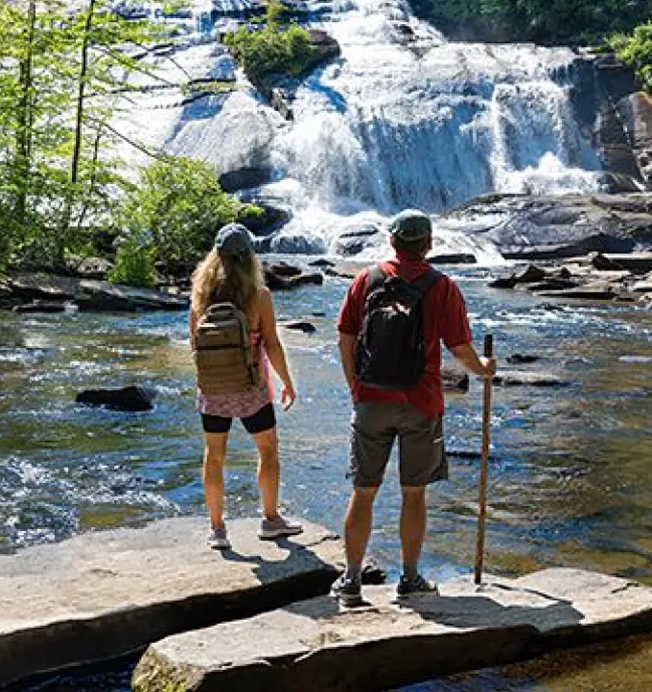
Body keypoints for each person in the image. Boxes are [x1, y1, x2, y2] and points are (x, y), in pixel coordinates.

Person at [330, 209, 496, 606]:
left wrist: (356, 386)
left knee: (363, 490)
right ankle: (409, 577)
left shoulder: (365, 280)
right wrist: (484, 370)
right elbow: (459, 350)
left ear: (391, 241)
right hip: (421, 403)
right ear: (429, 244)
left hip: (371, 400)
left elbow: (345, 339)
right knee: (414, 494)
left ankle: (350, 581)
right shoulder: (443, 287)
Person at [190, 223, 302, 550]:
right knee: (267, 449)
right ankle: (270, 520)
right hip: (252, 389)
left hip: (213, 389)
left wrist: (210, 380)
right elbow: (272, 345)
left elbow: (194, 346)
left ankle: (217, 529)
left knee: (214, 454)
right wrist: (287, 383)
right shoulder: (259, 296)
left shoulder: (199, 295)